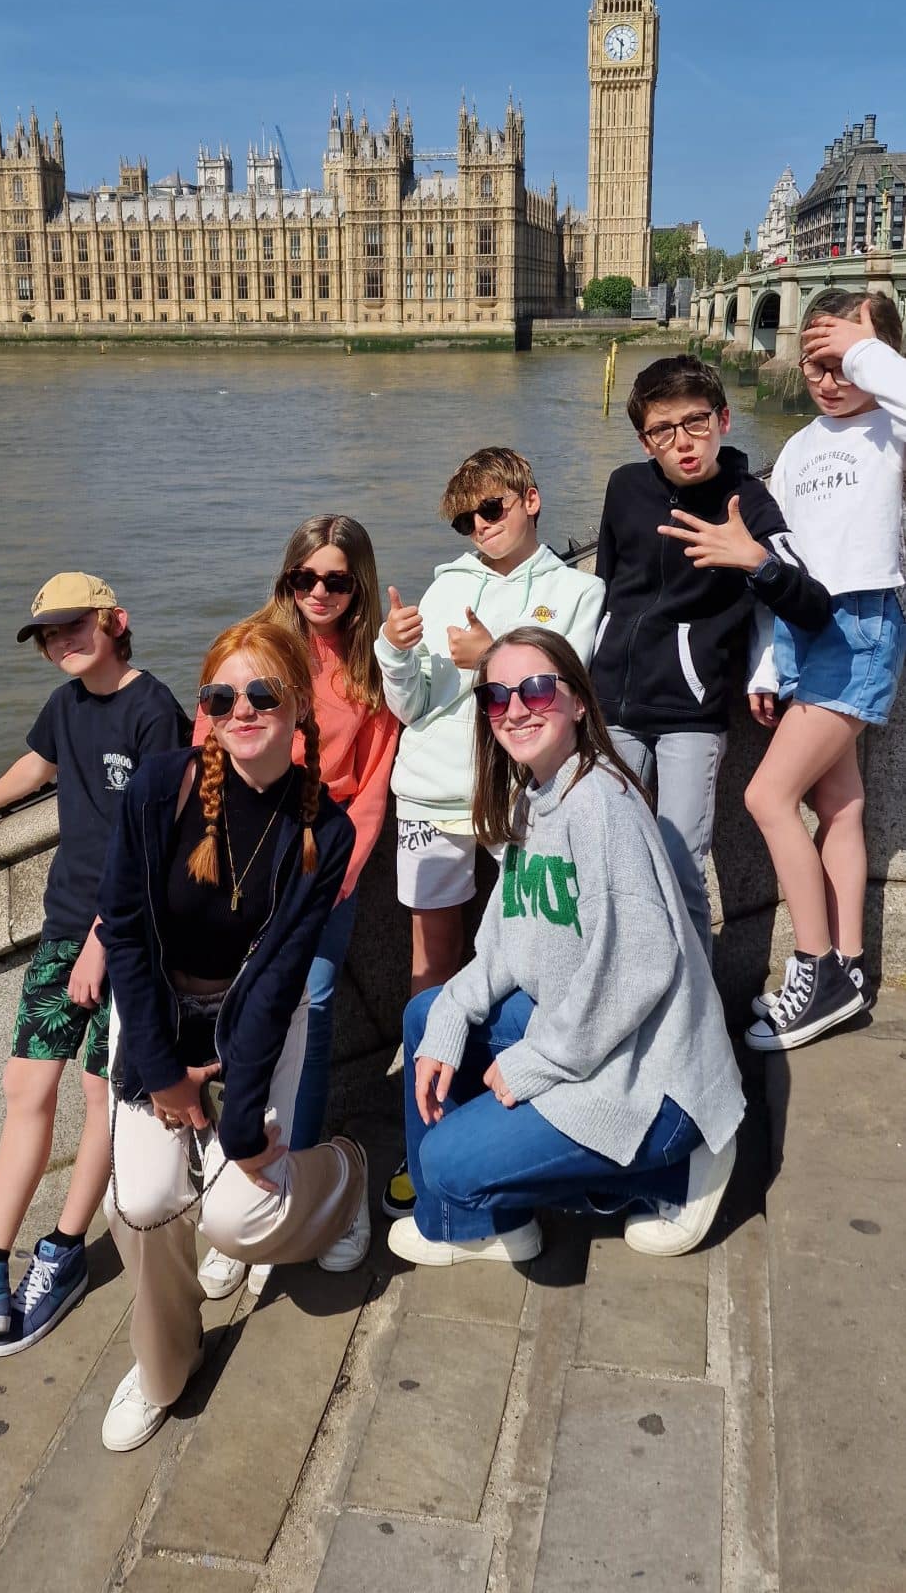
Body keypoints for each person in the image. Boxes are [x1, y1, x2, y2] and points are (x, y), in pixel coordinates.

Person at [0, 572, 189, 1352]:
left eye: (74, 626)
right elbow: (38, 765)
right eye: (49, 634)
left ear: (117, 621)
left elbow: (155, 845)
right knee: (26, 1083)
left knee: (96, 1096)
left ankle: (60, 1252)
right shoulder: (68, 705)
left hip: (124, 935)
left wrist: (101, 941)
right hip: (65, 924)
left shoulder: (157, 714)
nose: (62, 642)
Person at [387, 628, 746, 1270]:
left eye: (536, 689)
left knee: (444, 1162)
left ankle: (673, 1172)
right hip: (600, 1036)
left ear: (579, 701)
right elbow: (502, 943)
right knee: (428, 1015)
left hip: (656, 1079)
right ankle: (475, 1223)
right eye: (497, 697)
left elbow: (644, 963)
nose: (516, 708)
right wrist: (450, 1016)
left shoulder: (600, 803)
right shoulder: (533, 796)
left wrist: (541, 1062)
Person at [98, 612, 370, 1454]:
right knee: (141, 1203)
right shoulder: (160, 788)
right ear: (203, 709)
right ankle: (163, 1363)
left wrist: (243, 1125)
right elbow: (129, 937)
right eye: (222, 696)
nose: (241, 710)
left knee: (239, 1221)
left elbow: (277, 987)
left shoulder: (323, 832)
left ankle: (342, 1175)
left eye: (265, 694)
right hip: (156, 1018)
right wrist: (166, 1073)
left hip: (252, 1019)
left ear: (298, 710)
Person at [375, 446, 605, 1218]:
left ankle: (533, 1107)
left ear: (531, 500)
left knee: (533, 947)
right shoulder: (445, 588)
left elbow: (568, 688)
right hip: (433, 790)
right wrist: (396, 654)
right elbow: (408, 708)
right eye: (464, 519)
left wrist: (486, 659)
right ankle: (428, 1123)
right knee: (432, 956)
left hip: (520, 796)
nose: (478, 527)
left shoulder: (579, 589)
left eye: (492, 509)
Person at [195, 515, 398, 1300]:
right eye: (303, 578)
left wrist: (343, 874)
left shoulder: (373, 663)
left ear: (358, 585)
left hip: (325, 854)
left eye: (336, 579)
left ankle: (300, 1183)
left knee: (309, 1006)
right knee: (235, 1017)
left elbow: (376, 776)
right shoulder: (255, 649)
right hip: (248, 850)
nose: (318, 592)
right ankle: (241, 1185)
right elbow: (206, 739)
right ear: (286, 581)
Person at [591, 354, 830, 960]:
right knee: (601, 864)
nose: (681, 444)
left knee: (680, 867)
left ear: (723, 418)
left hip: (690, 716)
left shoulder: (748, 502)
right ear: (645, 440)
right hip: (609, 708)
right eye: (661, 432)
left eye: (695, 423)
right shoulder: (624, 487)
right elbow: (607, 589)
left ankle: (695, 1020)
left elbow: (812, 605)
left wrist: (754, 561)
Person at [736, 293, 906, 1051]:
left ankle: (815, 972)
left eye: (844, 361)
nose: (830, 377)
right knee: (836, 805)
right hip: (807, 629)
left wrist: (865, 345)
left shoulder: (893, 428)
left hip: (862, 624)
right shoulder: (799, 446)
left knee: (766, 795)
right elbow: (778, 564)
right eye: (816, 363)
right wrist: (768, 661)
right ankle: (848, 964)